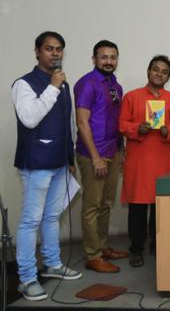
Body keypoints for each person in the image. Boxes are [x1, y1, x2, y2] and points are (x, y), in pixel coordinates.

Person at [11, 31, 82, 301]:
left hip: (60, 161)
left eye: (59, 49)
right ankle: (27, 278)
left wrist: (70, 158)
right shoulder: (24, 84)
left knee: (52, 217)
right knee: (31, 221)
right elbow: (29, 118)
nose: (55, 53)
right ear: (37, 51)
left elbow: (68, 123)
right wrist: (52, 87)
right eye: (49, 48)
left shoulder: (63, 83)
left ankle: (52, 263)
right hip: (37, 163)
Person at [119, 55, 170, 267]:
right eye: (156, 69)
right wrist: (137, 128)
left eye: (164, 72)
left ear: (168, 77)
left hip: (163, 161)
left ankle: (158, 245)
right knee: (137, 208)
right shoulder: (131, 97)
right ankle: (136, 249)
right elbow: (121, 124)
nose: (159, 74)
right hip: (139, 161)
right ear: (148, 71)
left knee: (160, 207)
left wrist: (167, 130)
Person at [74, 40, 128, 273]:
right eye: (103, 57)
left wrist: (121, 151)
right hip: (93, 154)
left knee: (106, 203)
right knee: (92, 206)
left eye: (112, 57)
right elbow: (81, 121)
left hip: (113, 151)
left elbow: (116, 120)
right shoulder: (87, 83)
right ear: (94, 59)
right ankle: (93, 255)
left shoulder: (116, 85)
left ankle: (103, 247)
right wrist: (95, 157)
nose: (108, 61)